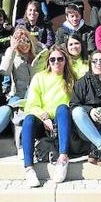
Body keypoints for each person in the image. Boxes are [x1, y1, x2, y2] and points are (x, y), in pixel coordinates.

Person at [22, 45, 76, 187]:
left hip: (62, 121)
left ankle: (63, 158)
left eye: (60, 59)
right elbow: (30, 105)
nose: (56, 62)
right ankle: (29, 168)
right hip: (43, 121)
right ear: (48, 62)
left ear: (65, 60)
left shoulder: (71, 79)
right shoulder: (39, 77)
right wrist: (43, 116)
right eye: (52, 59)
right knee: (28, 119)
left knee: (63, 108)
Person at [0, 27, 46, 105]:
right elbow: (4, 71)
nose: (24, 45)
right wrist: (12, 50)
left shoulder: (40, 51)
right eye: (20, 42)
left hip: (38, 93)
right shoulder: (11, 52)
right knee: (10, 107)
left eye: (27, 41)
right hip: (19, 94)